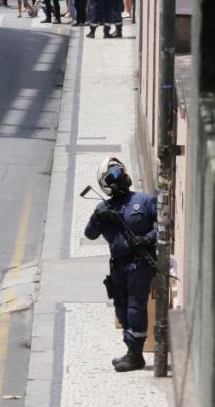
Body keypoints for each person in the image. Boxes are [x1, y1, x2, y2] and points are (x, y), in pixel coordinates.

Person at [85, 157, 157, 373]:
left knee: (136, 307)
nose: (121, 176)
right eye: (114, 175)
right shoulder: (103, 208)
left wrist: (146, 239)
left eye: (122, 171)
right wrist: (97, 217)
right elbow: (90, 234)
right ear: (107, 184)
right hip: (117, 267)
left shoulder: (144, 201)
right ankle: (130, 350)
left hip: (139, 264)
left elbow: (164, 227)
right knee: (121, 308)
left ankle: (136, 356)